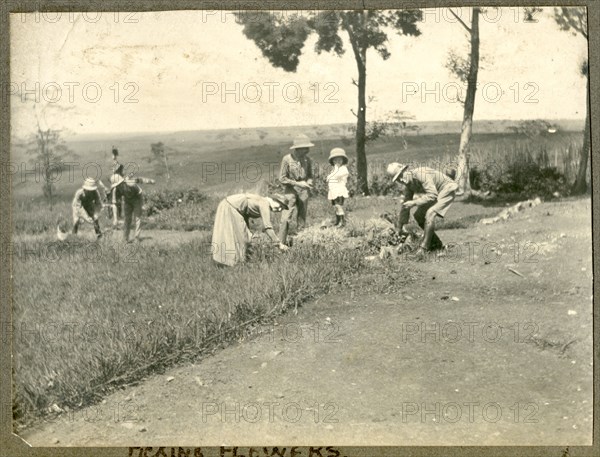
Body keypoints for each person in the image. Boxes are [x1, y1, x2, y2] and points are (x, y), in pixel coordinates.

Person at [387, 162, 459, 259]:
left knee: (430, 213)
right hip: (437, 193)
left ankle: (423, 249)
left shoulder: (421, 174)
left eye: (401, 175)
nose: (401, 180)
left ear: (405, 170)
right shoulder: (408, 185)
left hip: (447, 189)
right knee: (418, 215)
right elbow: (405, 208)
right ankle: (436, 245)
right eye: (398, 179)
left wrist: (414, 202)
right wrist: (399, 228)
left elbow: (432, 195)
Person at [212, 193, 290, 266]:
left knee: (242, 237)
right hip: (230, 207)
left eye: (282, 209)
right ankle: (236, 263)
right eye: (280, 205)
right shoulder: (264, 203)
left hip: (228, 205)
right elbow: (267, 227)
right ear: (274, 200)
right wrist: (278, 243)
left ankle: (235, 262)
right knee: (240, 239)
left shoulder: (262, 200)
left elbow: (245, 213)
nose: (279, 209)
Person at [278, 134, 315, 245]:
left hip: (304, 192)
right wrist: (298, 183)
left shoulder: (307, 160)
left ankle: (300, 242)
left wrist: (309, 182)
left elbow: (310, 175)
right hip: (290, 192)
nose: (307, 150)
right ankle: (281, 243)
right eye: (305, 148)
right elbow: (282, 178)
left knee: (302, 217)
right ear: (298, 149)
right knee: (286, 218)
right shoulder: (287, 159)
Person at [110, 174, 154, 243]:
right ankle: (125, 238)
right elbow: (114, 204)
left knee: (137, 218)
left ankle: (136, 237)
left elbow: (140, 192)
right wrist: (115, 218)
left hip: (137, 199)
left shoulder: (131, 184)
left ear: (122, 182)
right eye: (116, 186)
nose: (118, 187)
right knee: (127, 219)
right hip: (127, 201)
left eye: (118, 185)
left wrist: (142, 205)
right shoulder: (115, 190)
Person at [326, 148, 350, 227]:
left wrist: (334, 172)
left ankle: (342, 221)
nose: (337, 162)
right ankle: (338, 220)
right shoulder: (334, 170)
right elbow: (328, 178)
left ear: (343, 160)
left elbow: (336, 176)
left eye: (340, 159)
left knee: (339, 206)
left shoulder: (343, 169)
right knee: (335, 206)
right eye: (335, 160)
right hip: (333, 191)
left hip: (339, 191)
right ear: (333, 161)